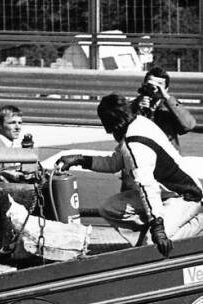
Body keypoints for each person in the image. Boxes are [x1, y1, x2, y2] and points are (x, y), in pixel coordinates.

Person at [57, 93, 203, 256]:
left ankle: (196, 225)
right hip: (165, 194)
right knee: (110, 209)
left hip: (185, 195)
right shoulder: (137, 124)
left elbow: (147, 186)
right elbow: (114, 163)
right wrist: (80, 160)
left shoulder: (135, 144)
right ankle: (147, 240)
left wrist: (158, 225)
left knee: (153, 244)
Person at [133, 67, 195, 150]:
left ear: (166, 89)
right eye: (150, 85)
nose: (154, 89)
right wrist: (136, 109)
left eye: (159, 85)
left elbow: (188, 126)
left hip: (167, 156)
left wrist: (167, 98)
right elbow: (120, 134)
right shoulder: (134, 105)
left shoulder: (171, 107)